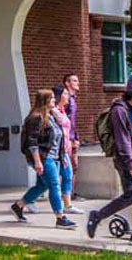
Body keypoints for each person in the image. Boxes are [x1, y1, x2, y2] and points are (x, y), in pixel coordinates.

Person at [86, 71, 132, 246]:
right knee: (131, 196)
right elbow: (122, 139)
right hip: (127, 161)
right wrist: (131, 163)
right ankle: (97, 216)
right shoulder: (119, 110)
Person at [11, 89, 77, 228]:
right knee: (54, 185)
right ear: (45, 100)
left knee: (42, 185)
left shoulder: (50, 116)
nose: (54, 100)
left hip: (55, 157)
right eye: (52, 98)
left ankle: (19, 206)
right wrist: (37, 161)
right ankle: (60, 217)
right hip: (44, 157)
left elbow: (58, 138)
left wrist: (62, 157)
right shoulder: (36, 117)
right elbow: (32, 141)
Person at [51, 84, 83, 214]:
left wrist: (72, 139)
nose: (67, 96)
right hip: (55, 151)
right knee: (44, 184)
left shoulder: (63, 110)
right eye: (64, 94)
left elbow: (69, 127)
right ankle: (24, 202)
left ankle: (68, 205)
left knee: (68, 176)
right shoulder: (53, 112)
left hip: (64, 150)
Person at [63, 73, 81, 197]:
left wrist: (76, 137)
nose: (77, 83)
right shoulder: (66, 99)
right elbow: (63, 121)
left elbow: (72, 121)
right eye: (74, 81)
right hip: (66, 140)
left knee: (74, 166)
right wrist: (68, 139)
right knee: (68, 167)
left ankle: (71, 193)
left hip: (73, 138)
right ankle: (67, 194)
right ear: (67, 83)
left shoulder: (73, 99)